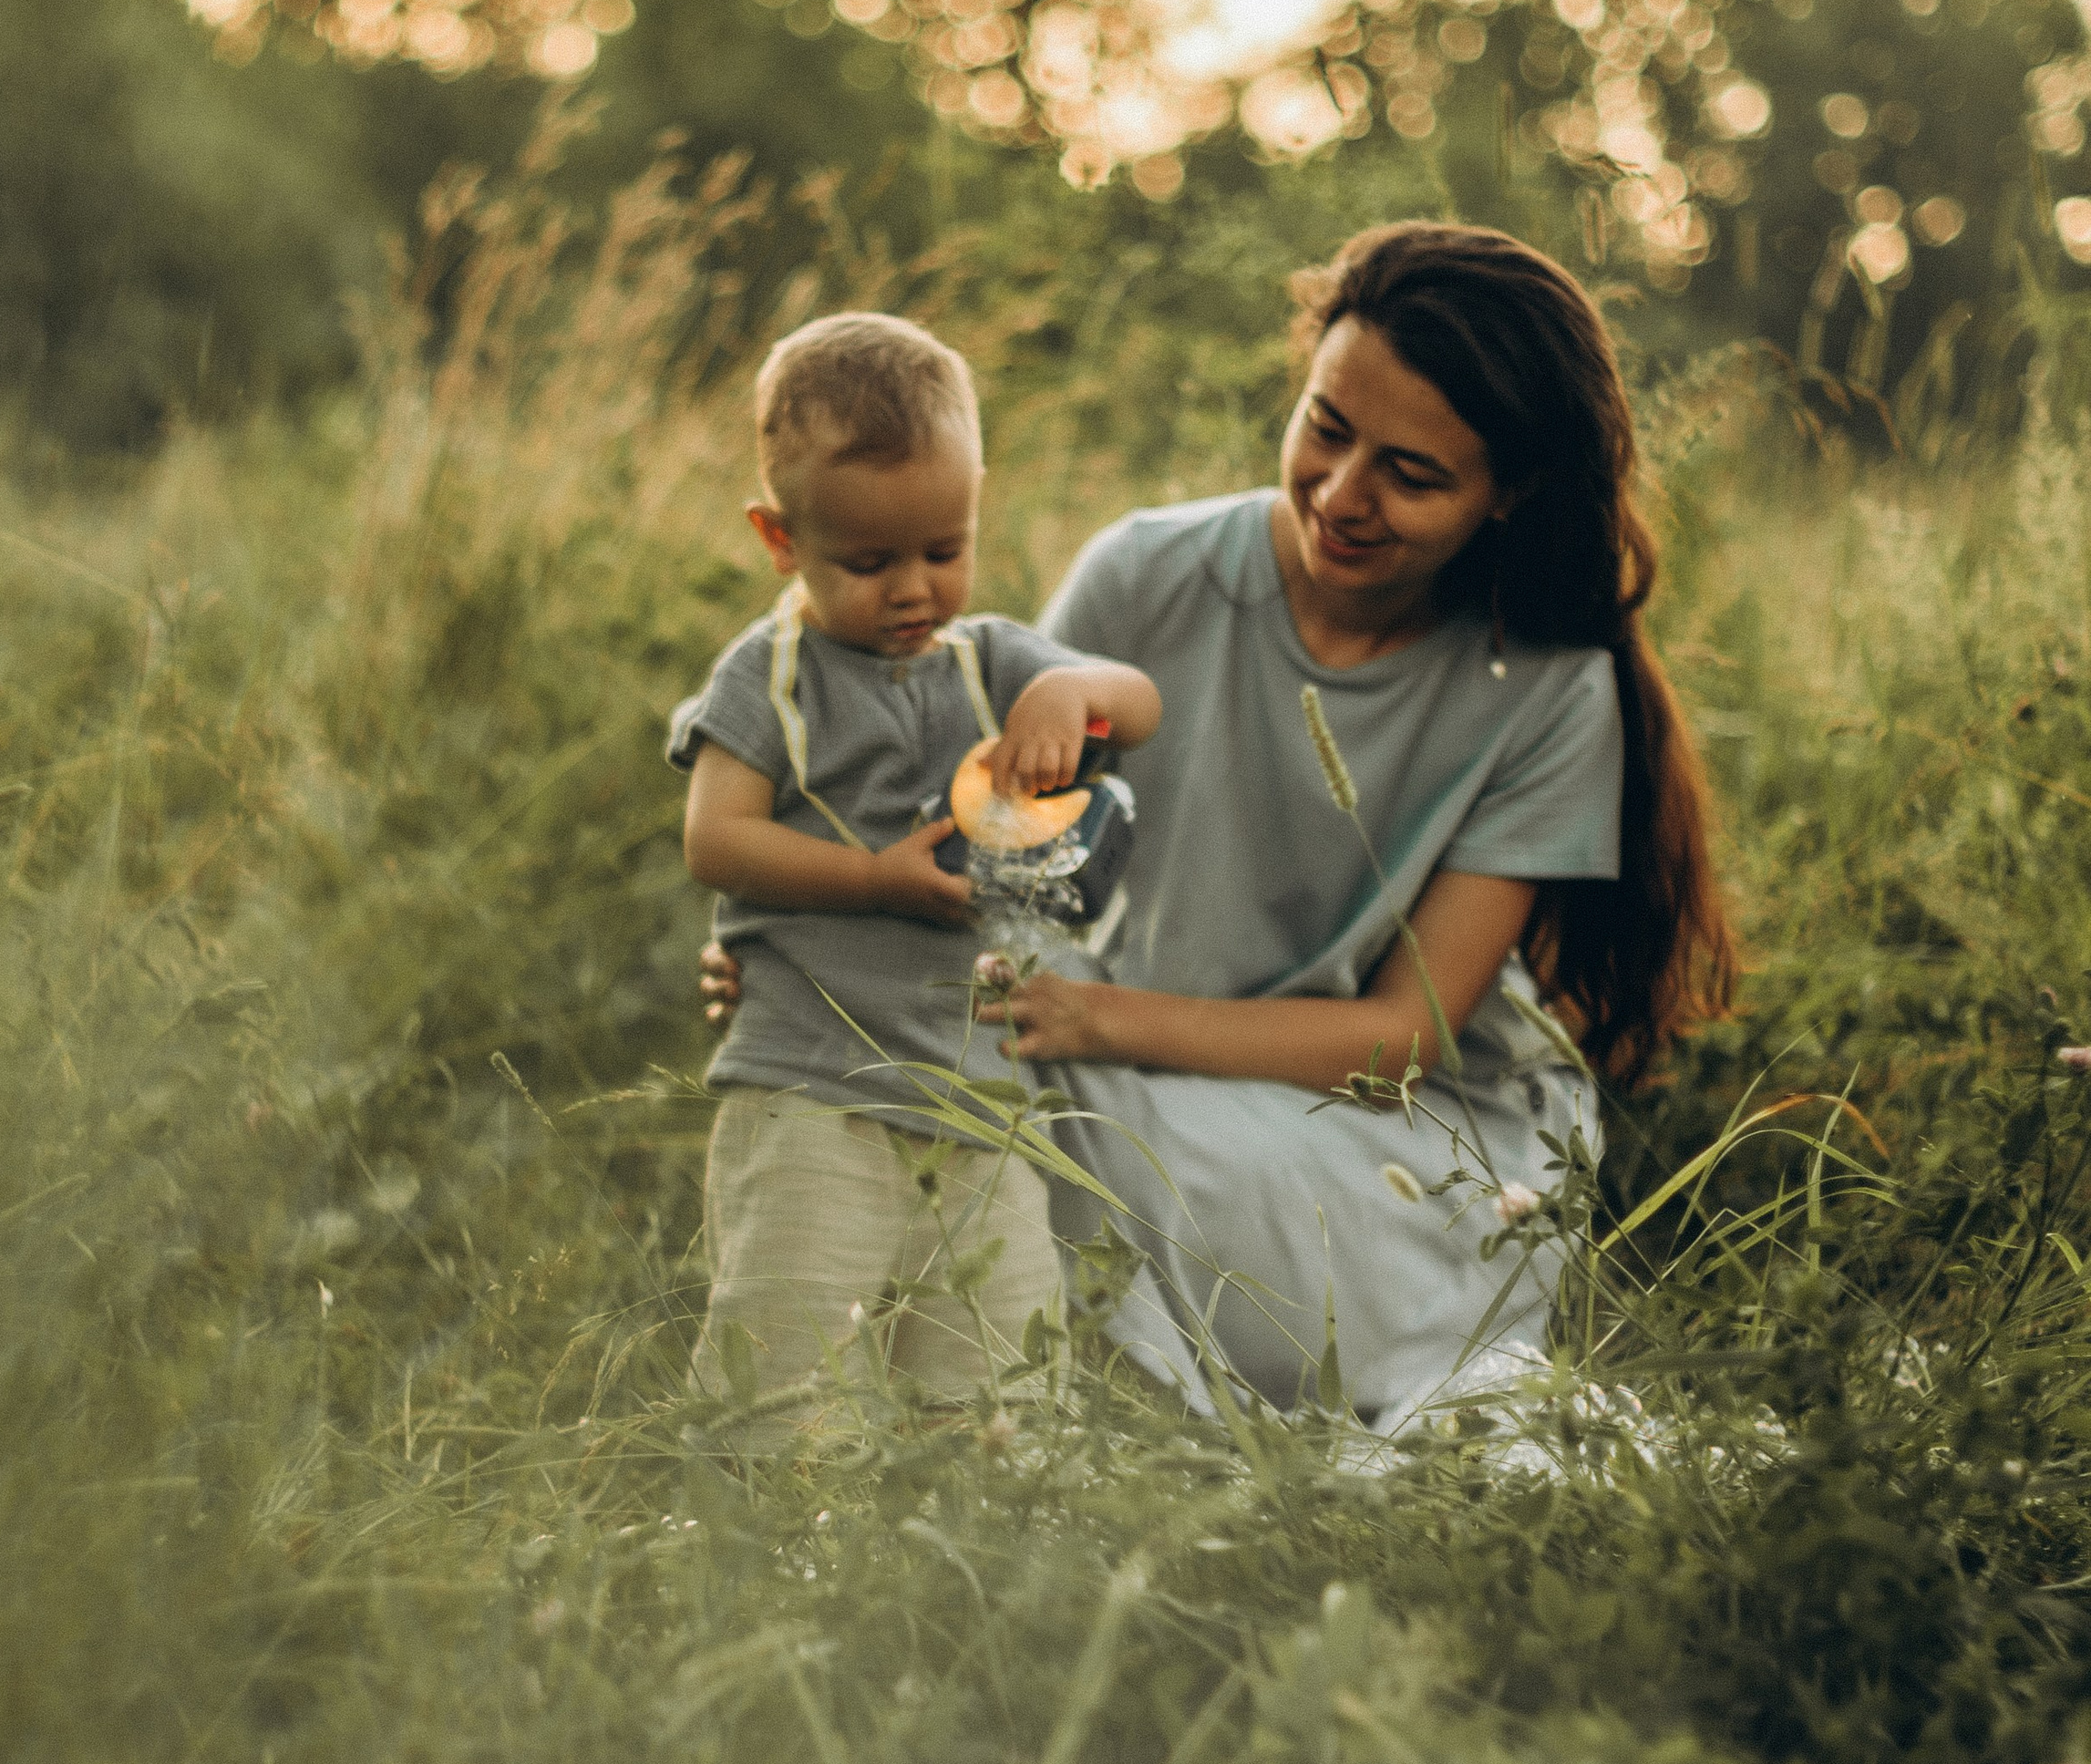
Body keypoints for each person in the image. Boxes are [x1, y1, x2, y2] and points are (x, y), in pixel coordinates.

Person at [703, 224, 1734, 1429]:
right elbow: (994, 859)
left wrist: (1101, 1021)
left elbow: (1402, 1037)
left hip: (1396, 1138)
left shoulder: (1552, 687)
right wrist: (815, 953)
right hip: (1117, 1060)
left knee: (1063, 1128)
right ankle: (934, 1422)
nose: (1341, 497)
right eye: (1326, 428)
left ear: (1510, 494)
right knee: (933, 1103)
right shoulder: (1147, 572)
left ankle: (1128, 1412)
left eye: (1412, 474)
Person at [669, 310, 1160, 1411]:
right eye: (868, 561)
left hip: (978, 1092)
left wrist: (1068, 691)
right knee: (789, 1352)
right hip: (809, 1081)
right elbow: (716, 837)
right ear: (780, 539)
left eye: (945, 551)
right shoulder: (772, 677)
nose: (912, 590)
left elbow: (1141, 703)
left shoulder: (992, 663)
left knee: (1000, 1367)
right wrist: (875, 881)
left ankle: (989, 1541)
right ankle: (783, 1541)